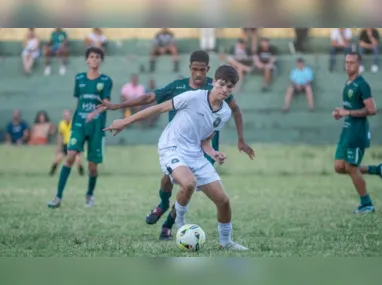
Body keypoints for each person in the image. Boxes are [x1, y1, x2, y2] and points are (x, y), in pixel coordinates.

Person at [97, 50, 255, 240]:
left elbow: (205, 139)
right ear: (214, 82)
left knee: (223, 201)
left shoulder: (224, 113)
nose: (224, 90)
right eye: (222, 84)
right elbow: (157, 107)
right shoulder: (192, 96)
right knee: (187, 183)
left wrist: (213, 152)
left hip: (195, 153)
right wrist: (125, 120)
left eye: (229, 87)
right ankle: (179, 220)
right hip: (171, 147)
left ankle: (226, 242)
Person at [47, 46, 113, 208]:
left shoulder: (106, 80)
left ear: (101, 60)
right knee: (70, 155)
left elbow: (107, 104)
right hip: (79, 123)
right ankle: (58, 197)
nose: (94, 59)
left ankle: (89, 195)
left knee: (92, 165)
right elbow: (79, 100)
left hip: (97, 126)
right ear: (86, 60)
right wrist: (81, 115)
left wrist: (95, 112)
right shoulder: (79, 79)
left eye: (97, 57)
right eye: (91, 56)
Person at [333, 52, 380, 214]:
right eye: (346, 62)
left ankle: (366, 204)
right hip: (346, 130)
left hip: (357, 132)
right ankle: (377, 170)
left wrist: (348, 113)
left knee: (352, 168)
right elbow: (350, 108)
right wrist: (341, 113)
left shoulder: (362, 84)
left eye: (352, 63)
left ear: (359, 65)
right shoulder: (348, 83)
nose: (348, 65)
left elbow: (372, 110)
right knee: (339, 167)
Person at [49, 110, 84, 176]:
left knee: (78, 161)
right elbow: (60, 135)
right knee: (57, 159)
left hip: (74, 145)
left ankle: (82, 174)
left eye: (67, 115)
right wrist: (59, 147)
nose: (66, 117)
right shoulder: (61, 124)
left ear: (70, 116)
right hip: (65, 145)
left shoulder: (74, 123)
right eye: (65, 116)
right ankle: (51, 173)